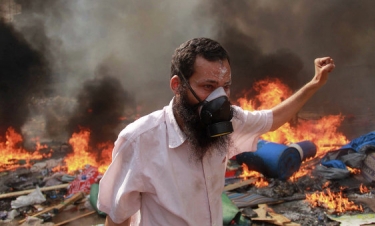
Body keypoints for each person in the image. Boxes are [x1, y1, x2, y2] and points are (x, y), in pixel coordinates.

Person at [97, 37, 335, 226]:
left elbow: (272, 119)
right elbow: (117, 218)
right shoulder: (140, 140)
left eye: (225, 87)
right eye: (208, 87)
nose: (219, 99)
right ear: (177, 86)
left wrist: (314, 84)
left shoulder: (229, 123)